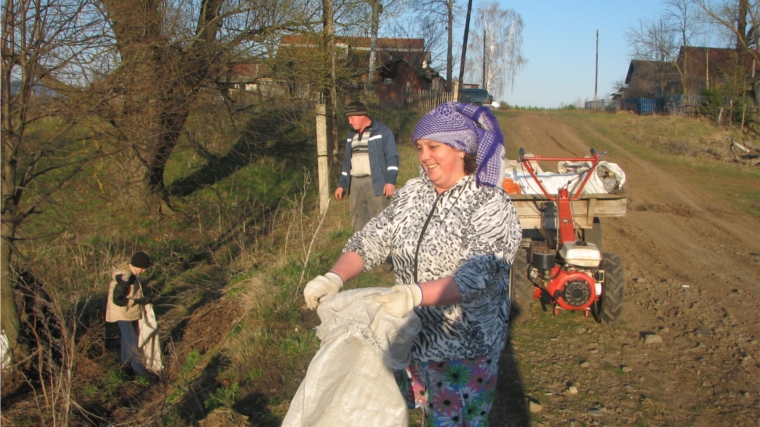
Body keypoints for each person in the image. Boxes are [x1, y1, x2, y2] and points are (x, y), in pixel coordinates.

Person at [304, 102, 522, 425]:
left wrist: (414, 295)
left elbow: (477, 276)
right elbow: (372, 239)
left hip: (463, 350)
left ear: (462, 149)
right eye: (419, 147)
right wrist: (333, 277)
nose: (424, 156)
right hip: (413, 343)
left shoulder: (489, 202)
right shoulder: (412, 194)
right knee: (419, 417)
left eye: (434, 147)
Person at [335, 100, 399, 234]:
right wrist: (341, 184)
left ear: (361, 115)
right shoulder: (351, 137)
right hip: (355, 185)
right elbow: (347, 163)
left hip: (376, 184)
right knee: (357, 225)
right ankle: (361, 253)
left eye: (351, 118)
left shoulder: (382, 132)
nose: (349, 122)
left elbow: (392, 157)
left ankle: (384, 254)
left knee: (380, 225)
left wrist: (390, 182)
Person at [105, 251, 153, 377]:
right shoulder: (126, 277)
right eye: (142, 268)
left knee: (127, 339)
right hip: (122, 312)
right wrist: (137, 301)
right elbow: (118, 299)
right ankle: (138, 369)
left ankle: (125, 366)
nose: (143, 271)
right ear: (137, 265)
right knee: (131, 340)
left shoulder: (131, 273)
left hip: (127, 311)